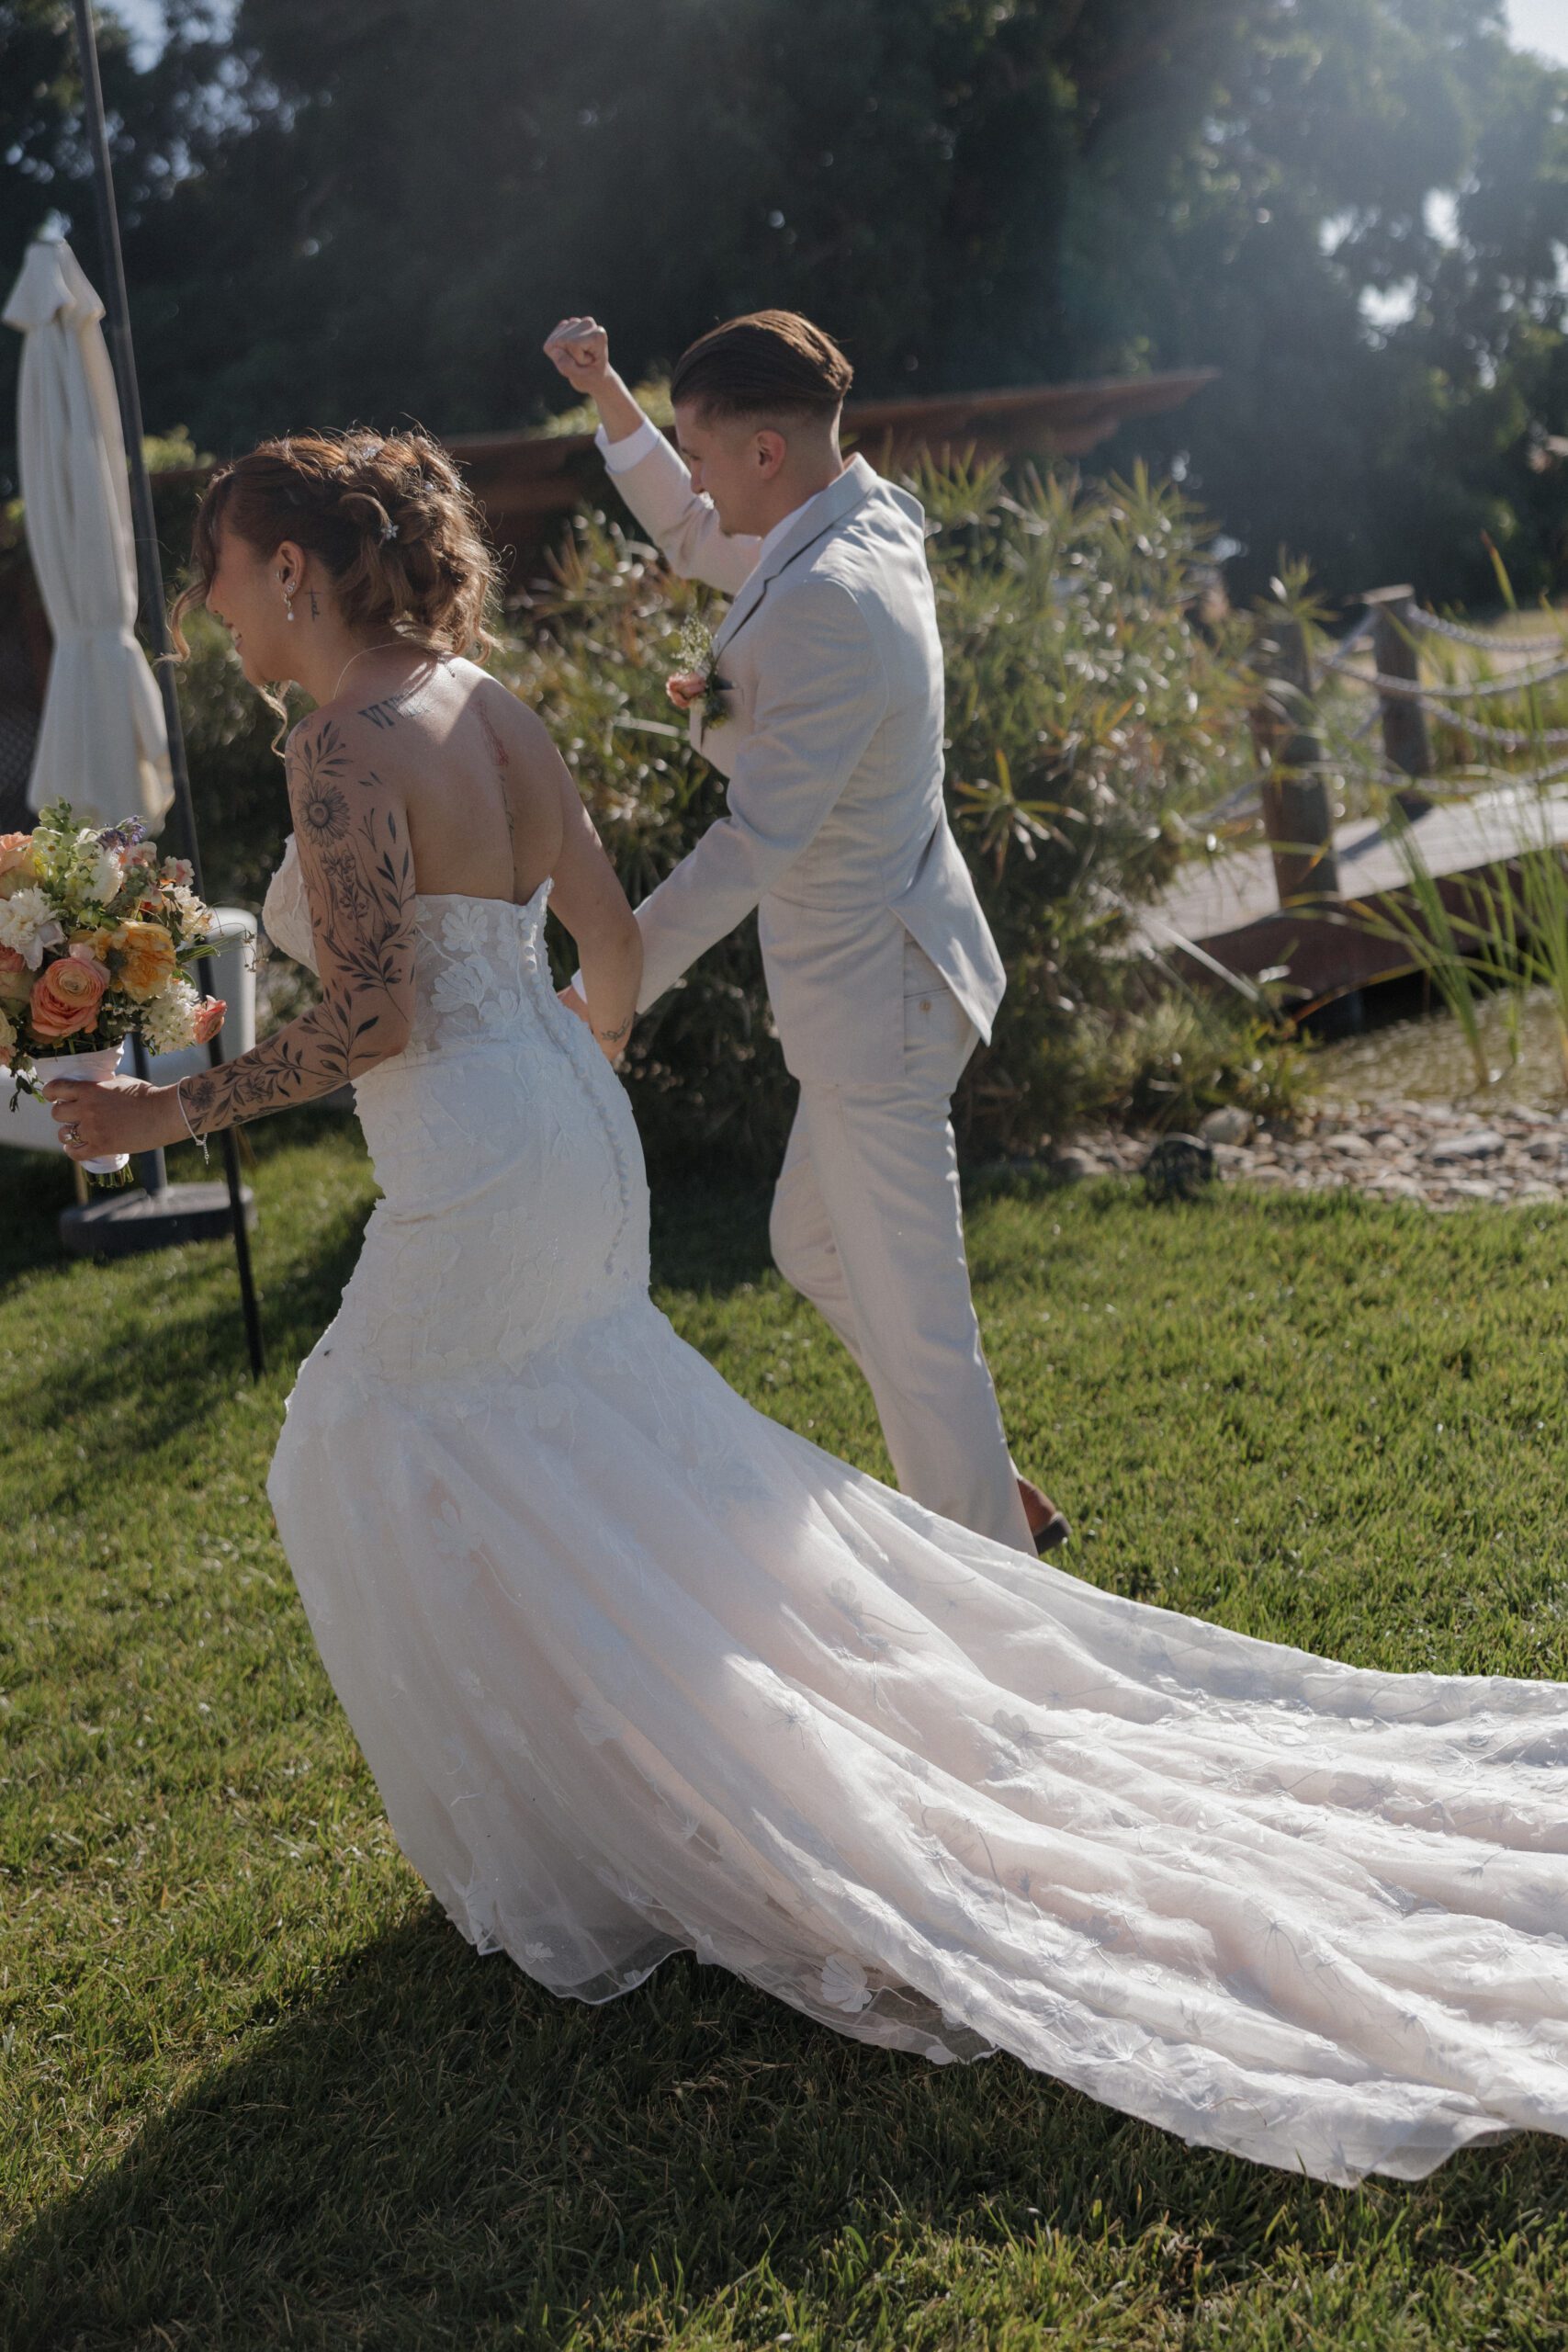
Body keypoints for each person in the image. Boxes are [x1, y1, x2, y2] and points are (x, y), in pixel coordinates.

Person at [48, 427, 1568, 2190]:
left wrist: (167, 1108)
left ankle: (609, 1829)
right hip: (563, 1124)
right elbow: (608, 948)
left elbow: (373, 1018)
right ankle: (644, 1777)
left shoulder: (339, 744)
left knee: (359, 1440)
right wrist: (560, 1080)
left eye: (219, 566)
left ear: (292, 570)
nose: (207, 600)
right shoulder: (491, 703)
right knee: (572, 1437)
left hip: (476, 1156)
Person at [544, 310, 1066, 1558]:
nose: (700, 480)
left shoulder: (829, 594)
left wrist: (609, 985)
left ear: (767, 451)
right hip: (891, 968)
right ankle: (990, 1486)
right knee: (808, 1243)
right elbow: (695, 532)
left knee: (923, 1324)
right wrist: (608, 391)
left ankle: (996, 1568)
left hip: (875, 1001)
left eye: (704, 451)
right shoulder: (861, 520)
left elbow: (752, 846)